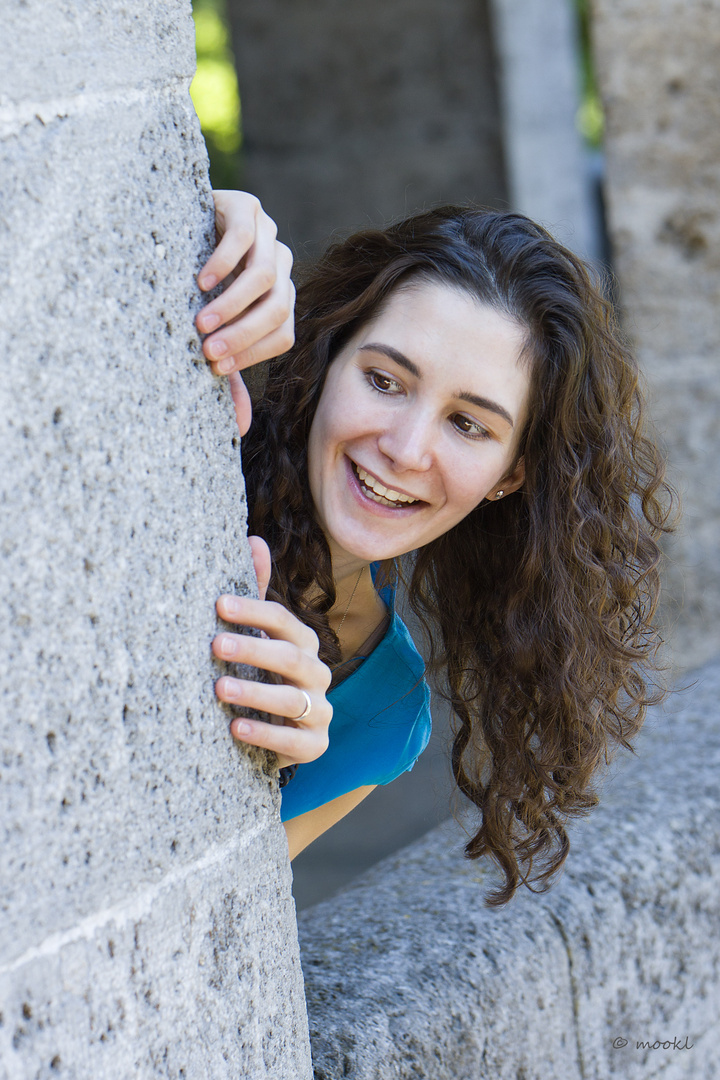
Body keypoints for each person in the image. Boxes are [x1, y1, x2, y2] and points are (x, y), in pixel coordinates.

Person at [198, 192, 674, 905]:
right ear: (328, 359)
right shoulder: (204, 442)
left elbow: (191, 920)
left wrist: (252, 776)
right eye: (384, 380)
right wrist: (207, 223)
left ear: (510, 475)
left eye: (469, 425)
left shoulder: (383, 718)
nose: (405, 448)